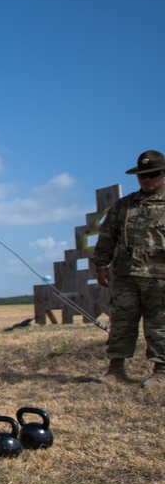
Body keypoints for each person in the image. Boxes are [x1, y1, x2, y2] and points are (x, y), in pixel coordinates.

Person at [92, 149, 165, 389]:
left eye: (153, 174)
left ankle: (161, 372)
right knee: (121, 322)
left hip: (160, 277)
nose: (147, 179)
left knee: (160, 324)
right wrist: (101, 265)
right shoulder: (124, 205)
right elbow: (107, 236)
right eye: (143, 175)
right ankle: (116, 369)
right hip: (125, 277)